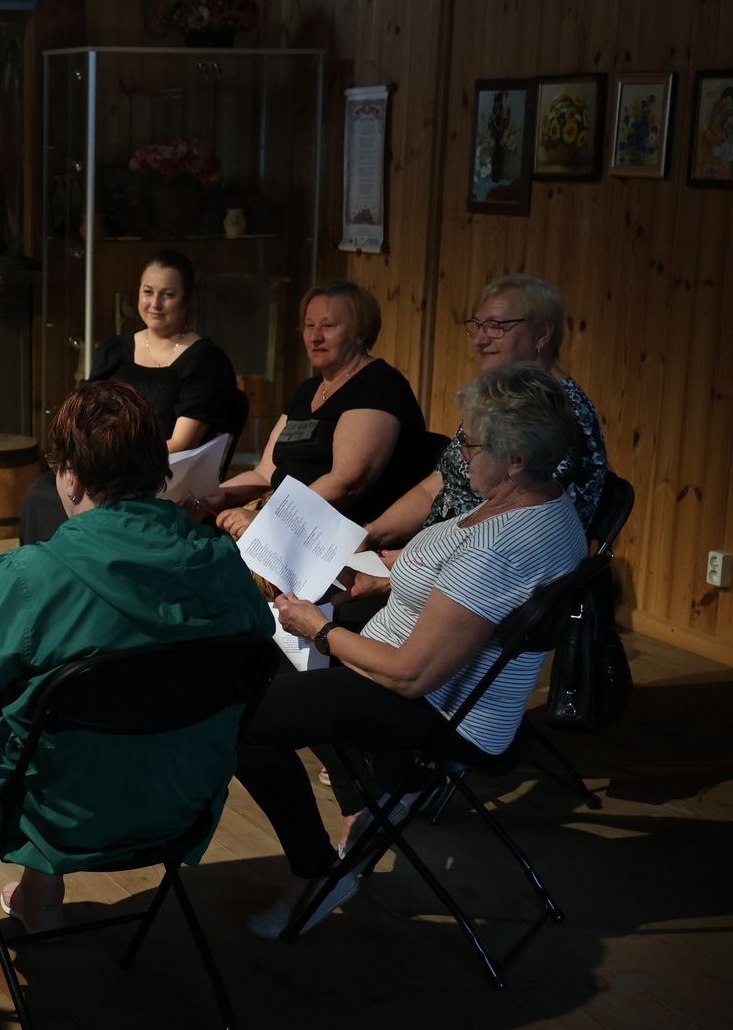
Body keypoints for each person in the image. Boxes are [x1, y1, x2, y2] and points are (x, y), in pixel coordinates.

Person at [0, 381, 273, 946]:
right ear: (157, 468)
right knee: (72, 710)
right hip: (179, 798)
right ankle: (39, 896)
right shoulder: (223, 567)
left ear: (69, 475)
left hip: (57, 813)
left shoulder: (31, 578)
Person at [234, 363, 587, 940]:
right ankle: (375, 799)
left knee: (246, 720)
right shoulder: (539, 502)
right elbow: (447, 573)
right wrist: (370, 578)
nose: (460, 453)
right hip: (421, 669)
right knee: (268, 666)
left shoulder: (502, 545)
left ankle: (316, 869)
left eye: (470, 443)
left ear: (518, 458)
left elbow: (411, 673)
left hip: (442, 709)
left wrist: (320, 629)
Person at [19, 250, 247, 544]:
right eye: (147, 292)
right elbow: (83, 416)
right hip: (101, 467)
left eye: (168, 295)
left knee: (95, 503)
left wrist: (113, 462)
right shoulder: (114, 350)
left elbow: (182, 442)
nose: (155, 304)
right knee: (43, 491)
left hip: (155, 474)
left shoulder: (204, 360)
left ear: (188, 299)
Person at [364, 273, 608, 547]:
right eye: (478, 326)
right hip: (434, 553)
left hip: (483, 572)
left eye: (495, 326)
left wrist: (404, 568)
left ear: (542, 333)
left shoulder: (560, 416)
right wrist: (369, 534)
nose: (479, 340)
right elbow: (434, 487)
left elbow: (521, 539)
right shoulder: (499, 398)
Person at [192, 281, 427, 537]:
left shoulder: (378, 384)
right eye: (309, 325)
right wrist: (209, 498)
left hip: (330, 536)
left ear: (360, 332)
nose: (315, 337)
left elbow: (345, 484)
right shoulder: (308, 390)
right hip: (277, 522)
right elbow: (264, 474)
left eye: (328, 326)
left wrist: (268, 519)